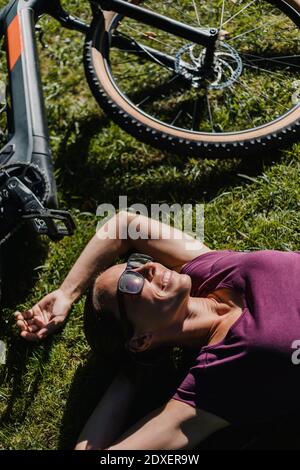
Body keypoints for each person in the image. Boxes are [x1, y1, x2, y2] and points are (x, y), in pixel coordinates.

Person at [15, 211, 300, 450]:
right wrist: (130, 376)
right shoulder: (211, 384)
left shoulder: (208, 270)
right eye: (130, 284)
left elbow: (124, 225)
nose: (148, 267)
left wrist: (66, 293)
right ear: (141, 339)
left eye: (135, 264)